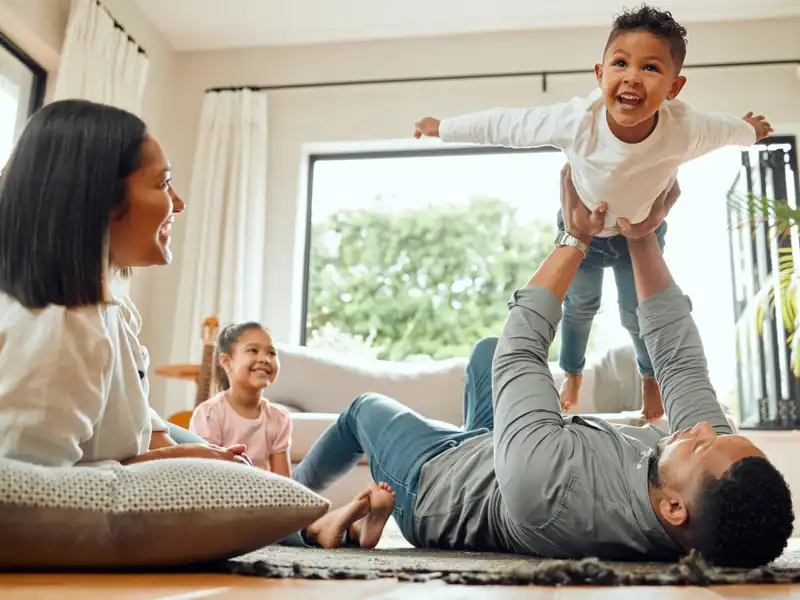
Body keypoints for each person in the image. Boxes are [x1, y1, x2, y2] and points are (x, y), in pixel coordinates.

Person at [291, 166, 793, 568]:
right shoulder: (698, 487)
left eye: (701, 443)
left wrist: (574, 238)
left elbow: (521, 349)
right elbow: (680, 362)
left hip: (435, 484)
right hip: (498, 454)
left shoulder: (551, 493)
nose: (701, 428)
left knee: (363, 410)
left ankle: (291, 512)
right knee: (485, 351)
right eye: (716, 434)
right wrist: (643, 239)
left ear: (674, 509)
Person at [0, 99, 388, 550]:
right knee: (231, 470)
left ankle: (312, 522)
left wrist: (180, 452)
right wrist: (181, 463)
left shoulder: (109, 306)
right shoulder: (59, 325)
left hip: (140, 435)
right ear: (100, 199)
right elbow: (28, 492)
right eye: (164, 183)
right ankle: (311, 523)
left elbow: (136, 415)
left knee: (223, 461)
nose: (179, 203)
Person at [413, 5, 773, 421]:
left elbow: (726, 129)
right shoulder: (576, 121)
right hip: (583, 230)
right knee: (580, 306)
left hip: (640, 233)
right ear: (600, 75)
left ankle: (650, 379)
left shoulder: (685, 129)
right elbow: (507, 125)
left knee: (637, 314)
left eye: (651, 68)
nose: (632, 76)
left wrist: (750, 131)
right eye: (620, 63)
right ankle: (572, 372)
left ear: (674, 87)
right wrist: (443, 127)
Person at [190, 322, 294, 475]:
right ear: (227, 362)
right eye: (253, 350)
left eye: (271, 353)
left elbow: (283, 482)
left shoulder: (279, 418)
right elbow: (205, 474)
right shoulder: (209, 414)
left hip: (263, 489)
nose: (265, 359)